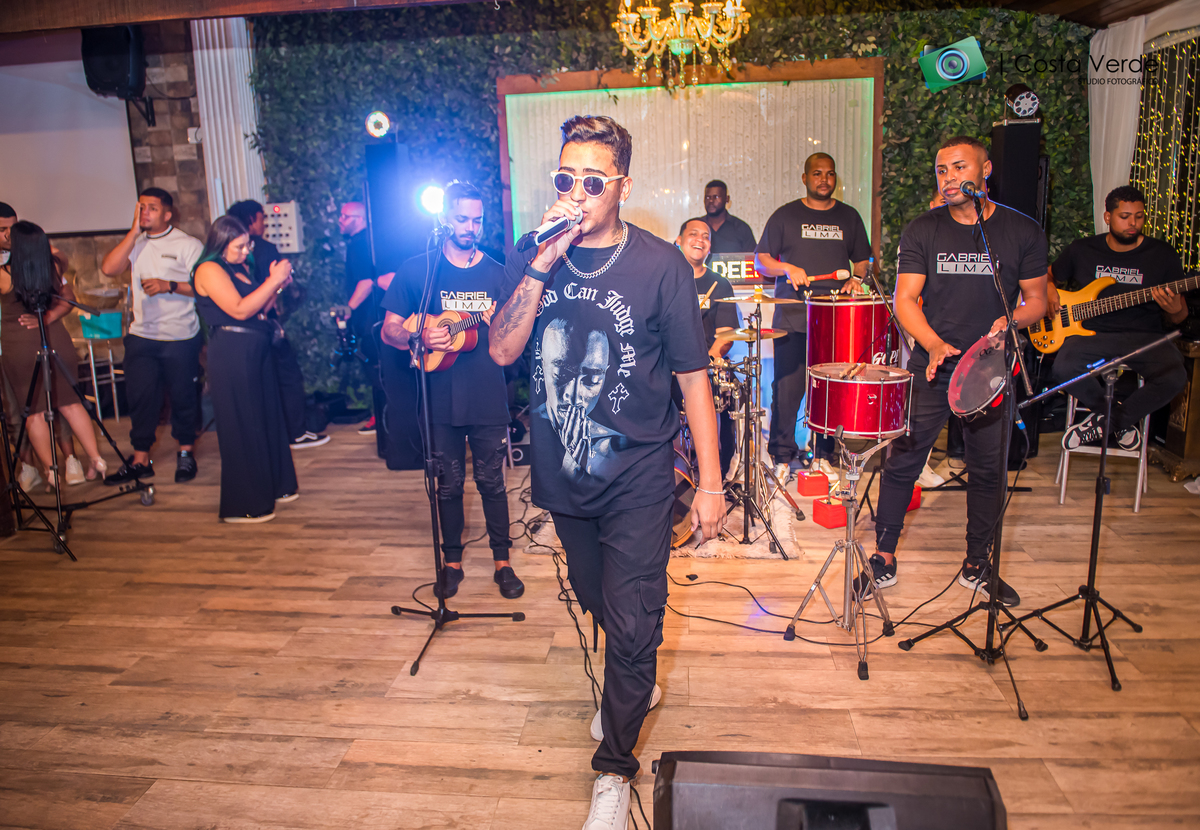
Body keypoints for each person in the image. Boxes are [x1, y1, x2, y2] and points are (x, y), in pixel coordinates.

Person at [489, 115, 722, 830]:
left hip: (641, 476)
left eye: (594, 181)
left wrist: (712, 484)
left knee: (633, 619)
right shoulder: (535, 255)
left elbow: (693, 379)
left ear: (623, 186)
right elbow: (502, 351)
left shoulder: (661, 266)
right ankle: (634, 677)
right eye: (567, 178)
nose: (578, 192)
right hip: (564, 476)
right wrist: (540, 263)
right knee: (597, 597)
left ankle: (615, 768)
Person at [854, 135, 1048, 607]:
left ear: (985, 171)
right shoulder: (924, 229)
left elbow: (1037, 301)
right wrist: (934, 343)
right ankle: (883, 556)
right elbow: (904, 299)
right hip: (933, 366)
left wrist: (1011, 320)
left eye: (959, 167)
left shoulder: (1021, 231)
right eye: (941, 170)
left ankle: (978, 563)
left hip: (990, 370)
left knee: (988, 470)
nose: (948, 178)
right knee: (902, 462)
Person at [379, 181, 522, 600]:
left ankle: (503, 562)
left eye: (477, 220)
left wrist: (502, 320)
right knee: (448, 484)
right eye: (462, 219)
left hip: (487, 394)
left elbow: (514, 333)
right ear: (444, 218)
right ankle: (452, 562)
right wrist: (418, 336)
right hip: (439, 396)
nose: (470, 228)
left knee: (492, 482)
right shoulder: (418, 270)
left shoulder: (497, 272)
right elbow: (389, 329)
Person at [755, 153, 870, 482]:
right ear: (805, 178)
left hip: (835, 320)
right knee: (787, 390)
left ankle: (823, 456)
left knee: (830, 392)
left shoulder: (849, 216)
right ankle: (782, 457)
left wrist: (856, 279)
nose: (824, 179)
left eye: (830, 174)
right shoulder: (786, 215)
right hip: (792, 316)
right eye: (817, 174)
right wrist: (786, 267)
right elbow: (762, 261)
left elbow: (863, 261)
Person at [1050, 185, 1188, 451]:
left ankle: (1109, 421)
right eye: (1125, 216)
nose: (1133, 223)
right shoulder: (1082, 249)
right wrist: (1048, 289)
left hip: (1145, 336)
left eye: (1139, 216)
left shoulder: (1162, 254)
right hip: (1092, 334)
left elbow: (1180, 315)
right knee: (1063, 368)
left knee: (1175, 376)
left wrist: (1174, 309)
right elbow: (1048, 275)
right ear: (1108, 217)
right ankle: (1117, 420)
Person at [191, 216, 298, 523]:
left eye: (247, 245)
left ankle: (276, 487)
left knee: (266, 417)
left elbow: (259, 308)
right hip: (232, 352)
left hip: (255, 347)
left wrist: (277, 287)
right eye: (239, 246)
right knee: (243, 422)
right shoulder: (209, 269)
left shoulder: (237, 267)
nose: (245, 251)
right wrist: (273, 280)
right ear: (221, 243)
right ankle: (246, 504)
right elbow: (239, 310)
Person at [100, 188, 203, 485]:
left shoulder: (187, 244)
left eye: (152, 208)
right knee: (141, 398)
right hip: (142, 336)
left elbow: (204, 287)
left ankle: (186, 453)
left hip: (180, 336)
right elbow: (109, 268)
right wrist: (133, 232)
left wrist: (169, 285)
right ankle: (140, 460)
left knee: (183, 397)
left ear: (168, 214)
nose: (145, 212)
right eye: (141, 207)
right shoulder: (136, 243)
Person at [0, 221, 107, 488]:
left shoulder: (4, 275)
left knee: (33, 412)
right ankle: (96, 459)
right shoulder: (53, 267)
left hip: (20, 343)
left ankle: (51, 472)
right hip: (55, 337)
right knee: (71, 403)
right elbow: (60, 259)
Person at [227, 200, 327, 449]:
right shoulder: (263, 249)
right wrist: (279, 285)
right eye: (262, 218)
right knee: (287, 376)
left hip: (237, 335)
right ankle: (295, 432)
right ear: (251, 219)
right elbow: (264, 300)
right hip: (261, 324)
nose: (264, 224)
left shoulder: (222, 263)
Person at [0, 203, 78, 488]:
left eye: (12, 228)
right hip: (7, 344)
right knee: (14, 411)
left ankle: (69, 461)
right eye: (2, 229)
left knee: (52, 401)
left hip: (31, 341)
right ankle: (28, 466)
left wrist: (49, 317)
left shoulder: (33, 254)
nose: (8, 235)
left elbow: (66, 292)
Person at [677, 217, 741, 479]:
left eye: (706, 237)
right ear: (679, 240)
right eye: (693, 234)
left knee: (729, 393)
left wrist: (704, 365)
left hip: (705, 367)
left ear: (710, 247)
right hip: (668, 366)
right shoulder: (665, 279)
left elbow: (725, 336)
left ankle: (717, 476)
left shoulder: (720, 284)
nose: (700, 240)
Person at [339, 201, 388, 436]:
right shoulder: (365, 241)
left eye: (345, 216)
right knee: (375, 369)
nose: (340, 220)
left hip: (370, 319)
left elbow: (366, 281)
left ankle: (382, 418)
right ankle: (381, 416)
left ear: (359, 219)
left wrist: (348, 309)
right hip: (372, 318)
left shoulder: (359, 244)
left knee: (376, 371)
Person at [702, 180, 758, 254]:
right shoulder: (696, 226)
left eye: (716, 197)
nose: (711, 201)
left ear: (727, 199)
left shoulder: (741, 228)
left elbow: (752, 258)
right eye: (707, 197)